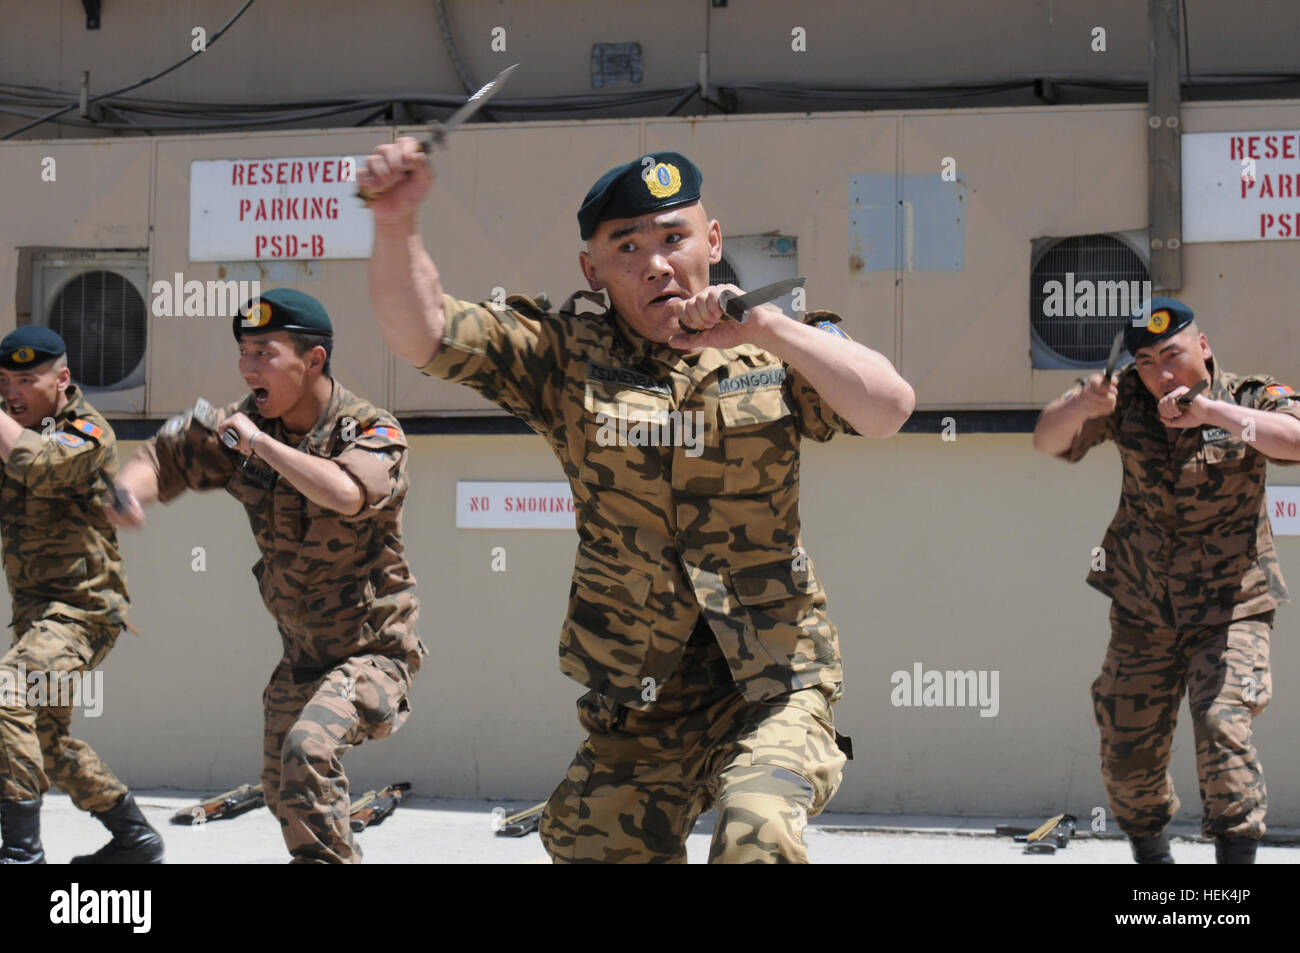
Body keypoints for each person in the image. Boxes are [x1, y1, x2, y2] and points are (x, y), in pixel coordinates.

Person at [360, 143, 915, 863]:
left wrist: (770, 328)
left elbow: (890, 408)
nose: (657, 263)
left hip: (776, 679)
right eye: (628, 246)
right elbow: (423, 332)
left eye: (674, 238)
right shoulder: (565, 357)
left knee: (756, 832)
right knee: (591, 845)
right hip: (641, 698)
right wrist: (396, 225)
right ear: (592, 270)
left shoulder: (779, 345)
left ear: (711, 242)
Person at [106, 289, 423, 863]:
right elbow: (162, 458)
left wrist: (263, 446)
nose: (248, 367)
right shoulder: (244, 426)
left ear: (314, 361)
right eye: (243, 353)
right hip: (300, 656)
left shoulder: (371, 430)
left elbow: (348, 494)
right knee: (287, 791)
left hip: (373, 653)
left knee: (308, 750)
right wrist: (130, 493)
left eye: (264, 353)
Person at [1033, 297, 1300, 864]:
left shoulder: (1249, 396)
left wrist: (1213, 414)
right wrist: (1082, 404)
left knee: (1221, 724)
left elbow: (1294, 438)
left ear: (1202, 348)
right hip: (1142, 608)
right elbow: (1048, 441)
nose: (1162, 373)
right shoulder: (1126, 395)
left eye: (1173, 354)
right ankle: (1155, 870)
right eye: (1148, 361)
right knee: (1125, 750)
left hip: (1231, 608)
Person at [0, 327, 164, 864]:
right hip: (34, 612)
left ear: (62, 379)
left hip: (84, 611)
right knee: (47, 742)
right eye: (4, 381)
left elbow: (40, 465)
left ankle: (22, 855)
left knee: (7, 694)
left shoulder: (88, 432)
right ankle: (134, 837)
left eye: (27, 379)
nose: (13, 392)